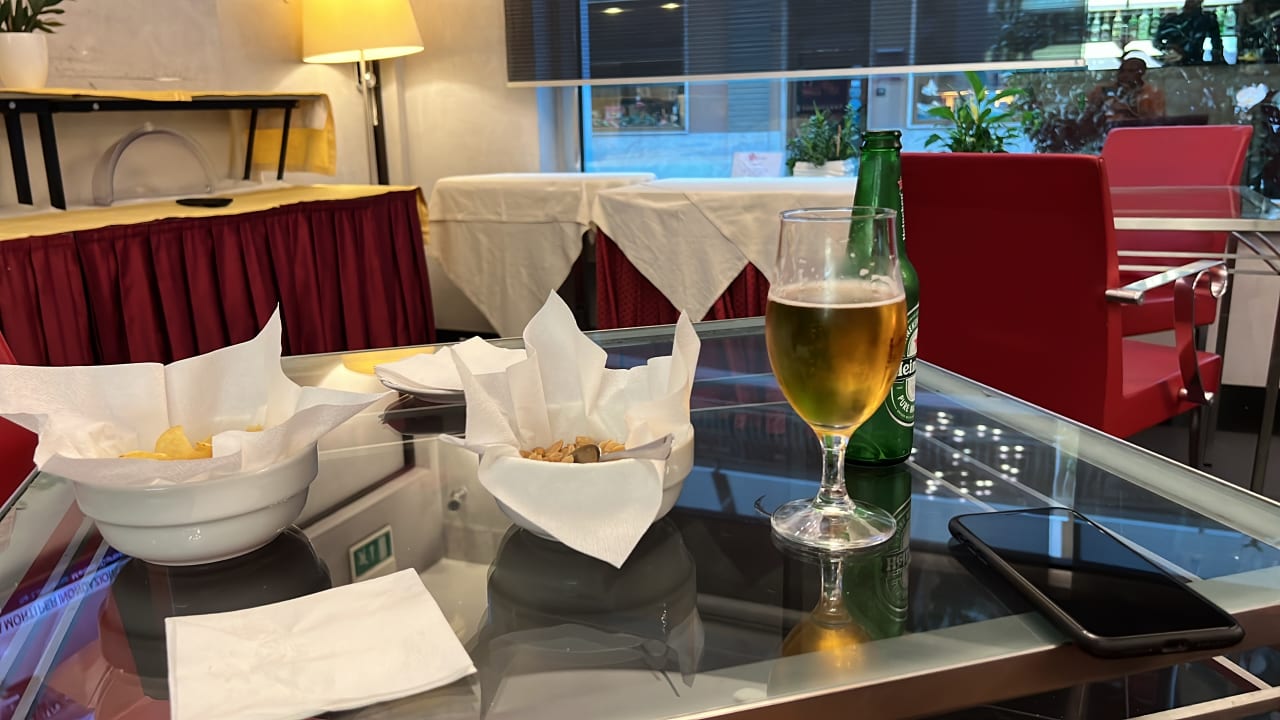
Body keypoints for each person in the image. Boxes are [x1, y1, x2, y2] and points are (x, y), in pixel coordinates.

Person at [1084, 56, 1167, 129]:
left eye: (1131, 71)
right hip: (1107, 131)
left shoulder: (1152, 93)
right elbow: (1087, 114)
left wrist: (1130, 110)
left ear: (1141, 73)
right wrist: (1101, 104)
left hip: (1139, 131)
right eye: (1122, 71)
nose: (1125, 74)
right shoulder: (1102, 90)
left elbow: (1156, 120)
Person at [1156, 0, 1225, 65]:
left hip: (1195, 62)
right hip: (1173, 61)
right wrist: (1168, 49)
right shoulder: (1171, 19)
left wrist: (1217, 60)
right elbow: (1156, 41)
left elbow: (1216, 44)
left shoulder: (1207, 19)